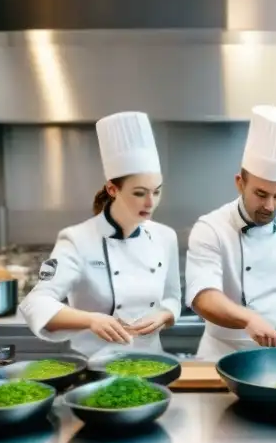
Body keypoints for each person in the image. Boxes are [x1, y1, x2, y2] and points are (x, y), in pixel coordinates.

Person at [20, 112, 181, 357]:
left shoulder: (165, 237)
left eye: (156, 192)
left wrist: (165, 316)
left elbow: (172, 298)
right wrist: (91, 320)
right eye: (139, 193)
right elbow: (36, 303)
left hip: (151, 362)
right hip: (95, 366)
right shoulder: (76, 239)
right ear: (112, 189)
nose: (150, 202)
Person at [185, 105, 276, 360]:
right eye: (261, 194)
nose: (269, 206)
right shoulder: (210, 228)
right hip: (220, 359)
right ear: (239, 183)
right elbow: (203, 296)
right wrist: (249, 318)